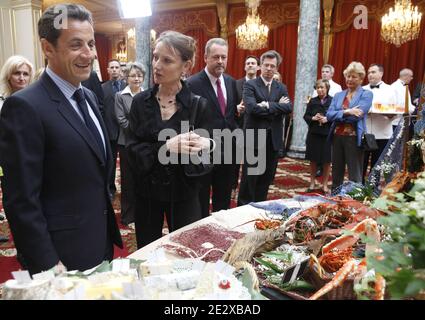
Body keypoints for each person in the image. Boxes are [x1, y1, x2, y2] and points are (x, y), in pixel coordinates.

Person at [0, 4, 122, 274]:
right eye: (76, 44)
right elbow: (21, 200)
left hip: (99, 244)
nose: (89, 53)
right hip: (60, 259)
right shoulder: (24, 106)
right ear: (48, 48)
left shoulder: (88, 96)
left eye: (90, 43)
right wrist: (47, 264)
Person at [127, 30, 213, 248]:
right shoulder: (140, 102)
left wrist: (208, 145)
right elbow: (132, 150)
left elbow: (212, 151)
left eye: (166, 60)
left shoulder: (197, 105)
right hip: (147, 192)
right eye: (155, 57)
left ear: (186, 66)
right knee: (148, 251)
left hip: (185, 193)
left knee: (186, 251)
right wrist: (166, 147)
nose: (157, 65)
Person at [187, 38, 238, 218]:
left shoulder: (232, 82)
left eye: (224, 57)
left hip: (228, 153)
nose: (220, 61)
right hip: (203, 153)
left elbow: (231, 117)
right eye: (216, 57)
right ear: (206, 57)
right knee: (200, 200)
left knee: (223, 200)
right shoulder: (192, 84)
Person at [237, 50, 292, 206]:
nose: (269, 68)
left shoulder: (281, 87)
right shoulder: (250, 85)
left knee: (266, 178)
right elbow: (252, 108)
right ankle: (243, 210)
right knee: (250, 179)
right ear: (260, 66)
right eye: (266, 65)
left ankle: (259, 208)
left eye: (272, 66)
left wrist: (267, 105)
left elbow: (288, 107)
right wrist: (277, 107)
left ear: (276, 68)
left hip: (273, 140)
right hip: (255, 139)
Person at [0, 55, 34, 243]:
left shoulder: (36, 102)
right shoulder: (1, 102)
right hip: (8, 165)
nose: (21, 78)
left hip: (33, 163)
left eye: (25, 74)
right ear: (8, 76)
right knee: (14, 206)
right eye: (17, 73)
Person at [326, 61, 373, 191]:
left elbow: (357, 116)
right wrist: (347, 111)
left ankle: (355, 204)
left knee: (355, 174)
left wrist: (339, 114)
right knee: (336, 174)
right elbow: (329, 115)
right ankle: (335, 201)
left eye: (353, 77)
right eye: (348, 76)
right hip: (336, 137)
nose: (349, 79)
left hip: (354, 138)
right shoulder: (338, 95)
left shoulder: (366, 94)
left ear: (361, 78)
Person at [114, 62, 145, 226]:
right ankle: (127, 216)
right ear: (127, 78)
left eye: (139, 75)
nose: (137, 78)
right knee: (128, 181)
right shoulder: (120, 96)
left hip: (144, 145)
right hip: (126, 144)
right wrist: (139, 131)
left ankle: (141, 213)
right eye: (133, 75)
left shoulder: (147, 94)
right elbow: (121, 120)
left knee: (142, 179)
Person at [362, 64, 397, 182]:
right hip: (365, 132)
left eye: (373, 72)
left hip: (382, 132)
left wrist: (382, 112)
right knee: (361, 162)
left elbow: (395, 111)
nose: (370, 75)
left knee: (377, 164)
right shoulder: (362, 89)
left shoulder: (390, 89)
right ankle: (358, 187)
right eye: (369, 72)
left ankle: (373, 189)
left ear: (381, 74)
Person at [233, 56, 260, 193]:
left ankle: (248, 190)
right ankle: (232, 187)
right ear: (244, 67)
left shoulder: (263, 85)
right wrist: (236, 108)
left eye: (253, 63)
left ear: (258, 67)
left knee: (252, 163)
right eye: (248, 63)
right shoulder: (236, 84)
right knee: (234, 160)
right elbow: (229, 105)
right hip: (238, 126)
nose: (250, 65)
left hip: (255, 129)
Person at [102, 59, 126, 198]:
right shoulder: (102, 88)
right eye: (112, 67)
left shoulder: (127, 86)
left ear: (120, 70)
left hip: (124, 131)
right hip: (109, 130)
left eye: (117, 67)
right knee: (110, 163)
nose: (115, 69)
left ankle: (126, 188)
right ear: (108, 70)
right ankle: (110, 188)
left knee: (126, 163)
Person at [303, 79, 332, 193]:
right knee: (313, 159)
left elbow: (335, 116)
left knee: (326, 160)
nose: (320, 90)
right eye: (318, 87)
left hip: (327, 135)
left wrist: (327, 119)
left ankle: (325, 184)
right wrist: (313, 118)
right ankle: (312, 183)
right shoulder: (312, 101)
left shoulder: (333, 100)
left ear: (327, 88)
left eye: (322, 87)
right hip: (314, 134)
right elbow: (306, 116)